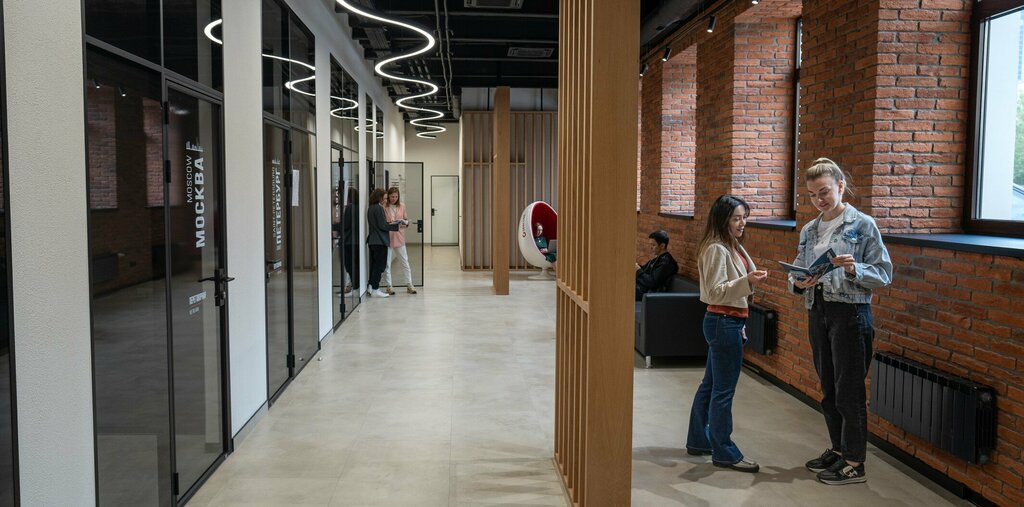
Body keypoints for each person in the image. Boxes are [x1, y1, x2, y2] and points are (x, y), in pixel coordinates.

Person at [790, 158, 892, 485]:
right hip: (818, 309)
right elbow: (798, 267)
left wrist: (853, 268)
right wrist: (799, 280)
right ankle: (838, 449)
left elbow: (883, 273)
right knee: (828, 388)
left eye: (824, 192)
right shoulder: (810, 229)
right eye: (812, 195)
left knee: (849, 391)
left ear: (840, 186)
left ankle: (854, 462)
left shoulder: (862, 225)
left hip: (850, 314)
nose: (819, 200)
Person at [686, 195, 768, 473]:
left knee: (711, 386)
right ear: (722, 220)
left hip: (727, 321)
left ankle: (699, 440)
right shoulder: (716, 249)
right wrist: (747, 281)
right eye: (736, 218)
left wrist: (748, 282)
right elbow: (714, 292)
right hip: (723, 322)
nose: (742, 223)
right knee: (723, 391)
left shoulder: (731, 244)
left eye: (744, 217)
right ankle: (724, 451)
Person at [366, 188, 400, 298]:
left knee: (374, 265)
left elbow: (378, 224)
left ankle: (371, 286)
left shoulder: (371, 208)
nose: (386, 200)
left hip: (372, 241)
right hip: (380, 241)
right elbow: (382, 225)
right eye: (384, 198)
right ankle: (375, 289)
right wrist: (396, 225)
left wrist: (387, 223)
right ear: (379, 198)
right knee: (380, 266)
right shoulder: (379, 208)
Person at [382, 187, 416, 294]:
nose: (394, 198)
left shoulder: (402, 206)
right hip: (387, 238)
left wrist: (405, 222)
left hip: (399, 237)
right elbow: (382, 222)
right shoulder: (384, 207)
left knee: (405, 262)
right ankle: (389, 286)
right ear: (388, 196)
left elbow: (406, 219)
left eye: (396, 196)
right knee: (387, 264)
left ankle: (409, 285)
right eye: (392, 196)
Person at [635, 230, 678, 301]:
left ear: (662, 246)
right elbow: (644, 269)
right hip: (643, 289)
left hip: (651, 295)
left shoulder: (666, 262)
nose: (650, 248)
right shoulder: (658, 258)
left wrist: (638, 270)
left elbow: (652, 283)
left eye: (653, 245)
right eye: (650, 245)